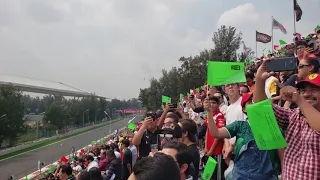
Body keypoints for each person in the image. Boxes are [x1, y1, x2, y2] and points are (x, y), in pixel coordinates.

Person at [254, 59, 320, 180]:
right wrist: (259, 80)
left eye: (314, 89)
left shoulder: (300, 105)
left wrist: (299, 100)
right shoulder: (294, 115)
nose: (306, 94)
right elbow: (261, 109)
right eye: (303, 90)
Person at [204, 94, 280, 179]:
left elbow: (281, 154)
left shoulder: (273, 127)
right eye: (250, 101)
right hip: (241, 176)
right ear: (244, 109)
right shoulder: (239, 126)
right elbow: (216, 133)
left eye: (258, 100)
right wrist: (209, 112)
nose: (255, 103)